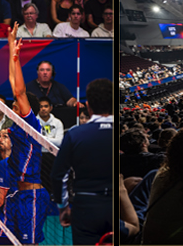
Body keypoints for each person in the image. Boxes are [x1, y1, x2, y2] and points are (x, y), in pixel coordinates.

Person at [0, 26, 55, 245]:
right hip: (18, 195)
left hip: (33, 197)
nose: (12, 109)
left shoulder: (29, 124)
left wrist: (16, 59)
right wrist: (10, 48)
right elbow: (13, 83)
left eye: (15, 107)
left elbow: (19, 91)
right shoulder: (13, 129)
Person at [48, 78, 115, 245]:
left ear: (88, 106)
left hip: (86, 207)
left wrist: (63, 207)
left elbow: (58, 175)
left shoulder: (75, 134)